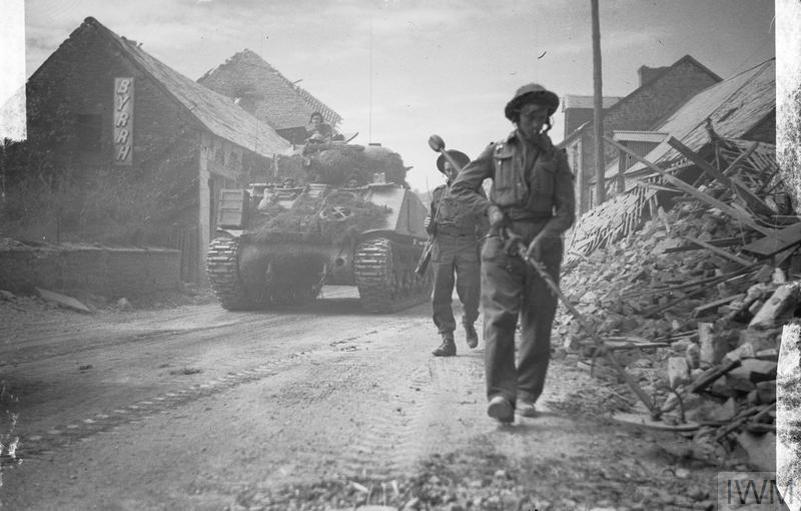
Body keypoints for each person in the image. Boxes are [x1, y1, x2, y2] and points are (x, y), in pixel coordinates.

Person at [449, 83, 575, 423]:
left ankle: (527, 394)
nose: (537, 123)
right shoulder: (496, 151)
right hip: (501, 242)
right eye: (531, 116)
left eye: (543, 117)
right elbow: (461, 188)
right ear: (517, 116)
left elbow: (566, 211)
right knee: (500, 319)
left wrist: (545, 238)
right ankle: (501, 395)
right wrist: (490, 210)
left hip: (543, 244)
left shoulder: (556, 158)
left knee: (538, 320)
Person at [426, 150, 487, 357]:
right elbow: (432, 224)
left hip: (467, 243)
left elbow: (485, 221)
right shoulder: (438, 194)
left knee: (470, 292)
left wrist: (482, 241)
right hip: (442, 245)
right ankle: (447, 339)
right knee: (440, 294)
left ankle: (469, 322)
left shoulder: (475, 193)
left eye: (454, 170)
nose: (451, 174)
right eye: (448, 170)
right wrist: (429, 225)